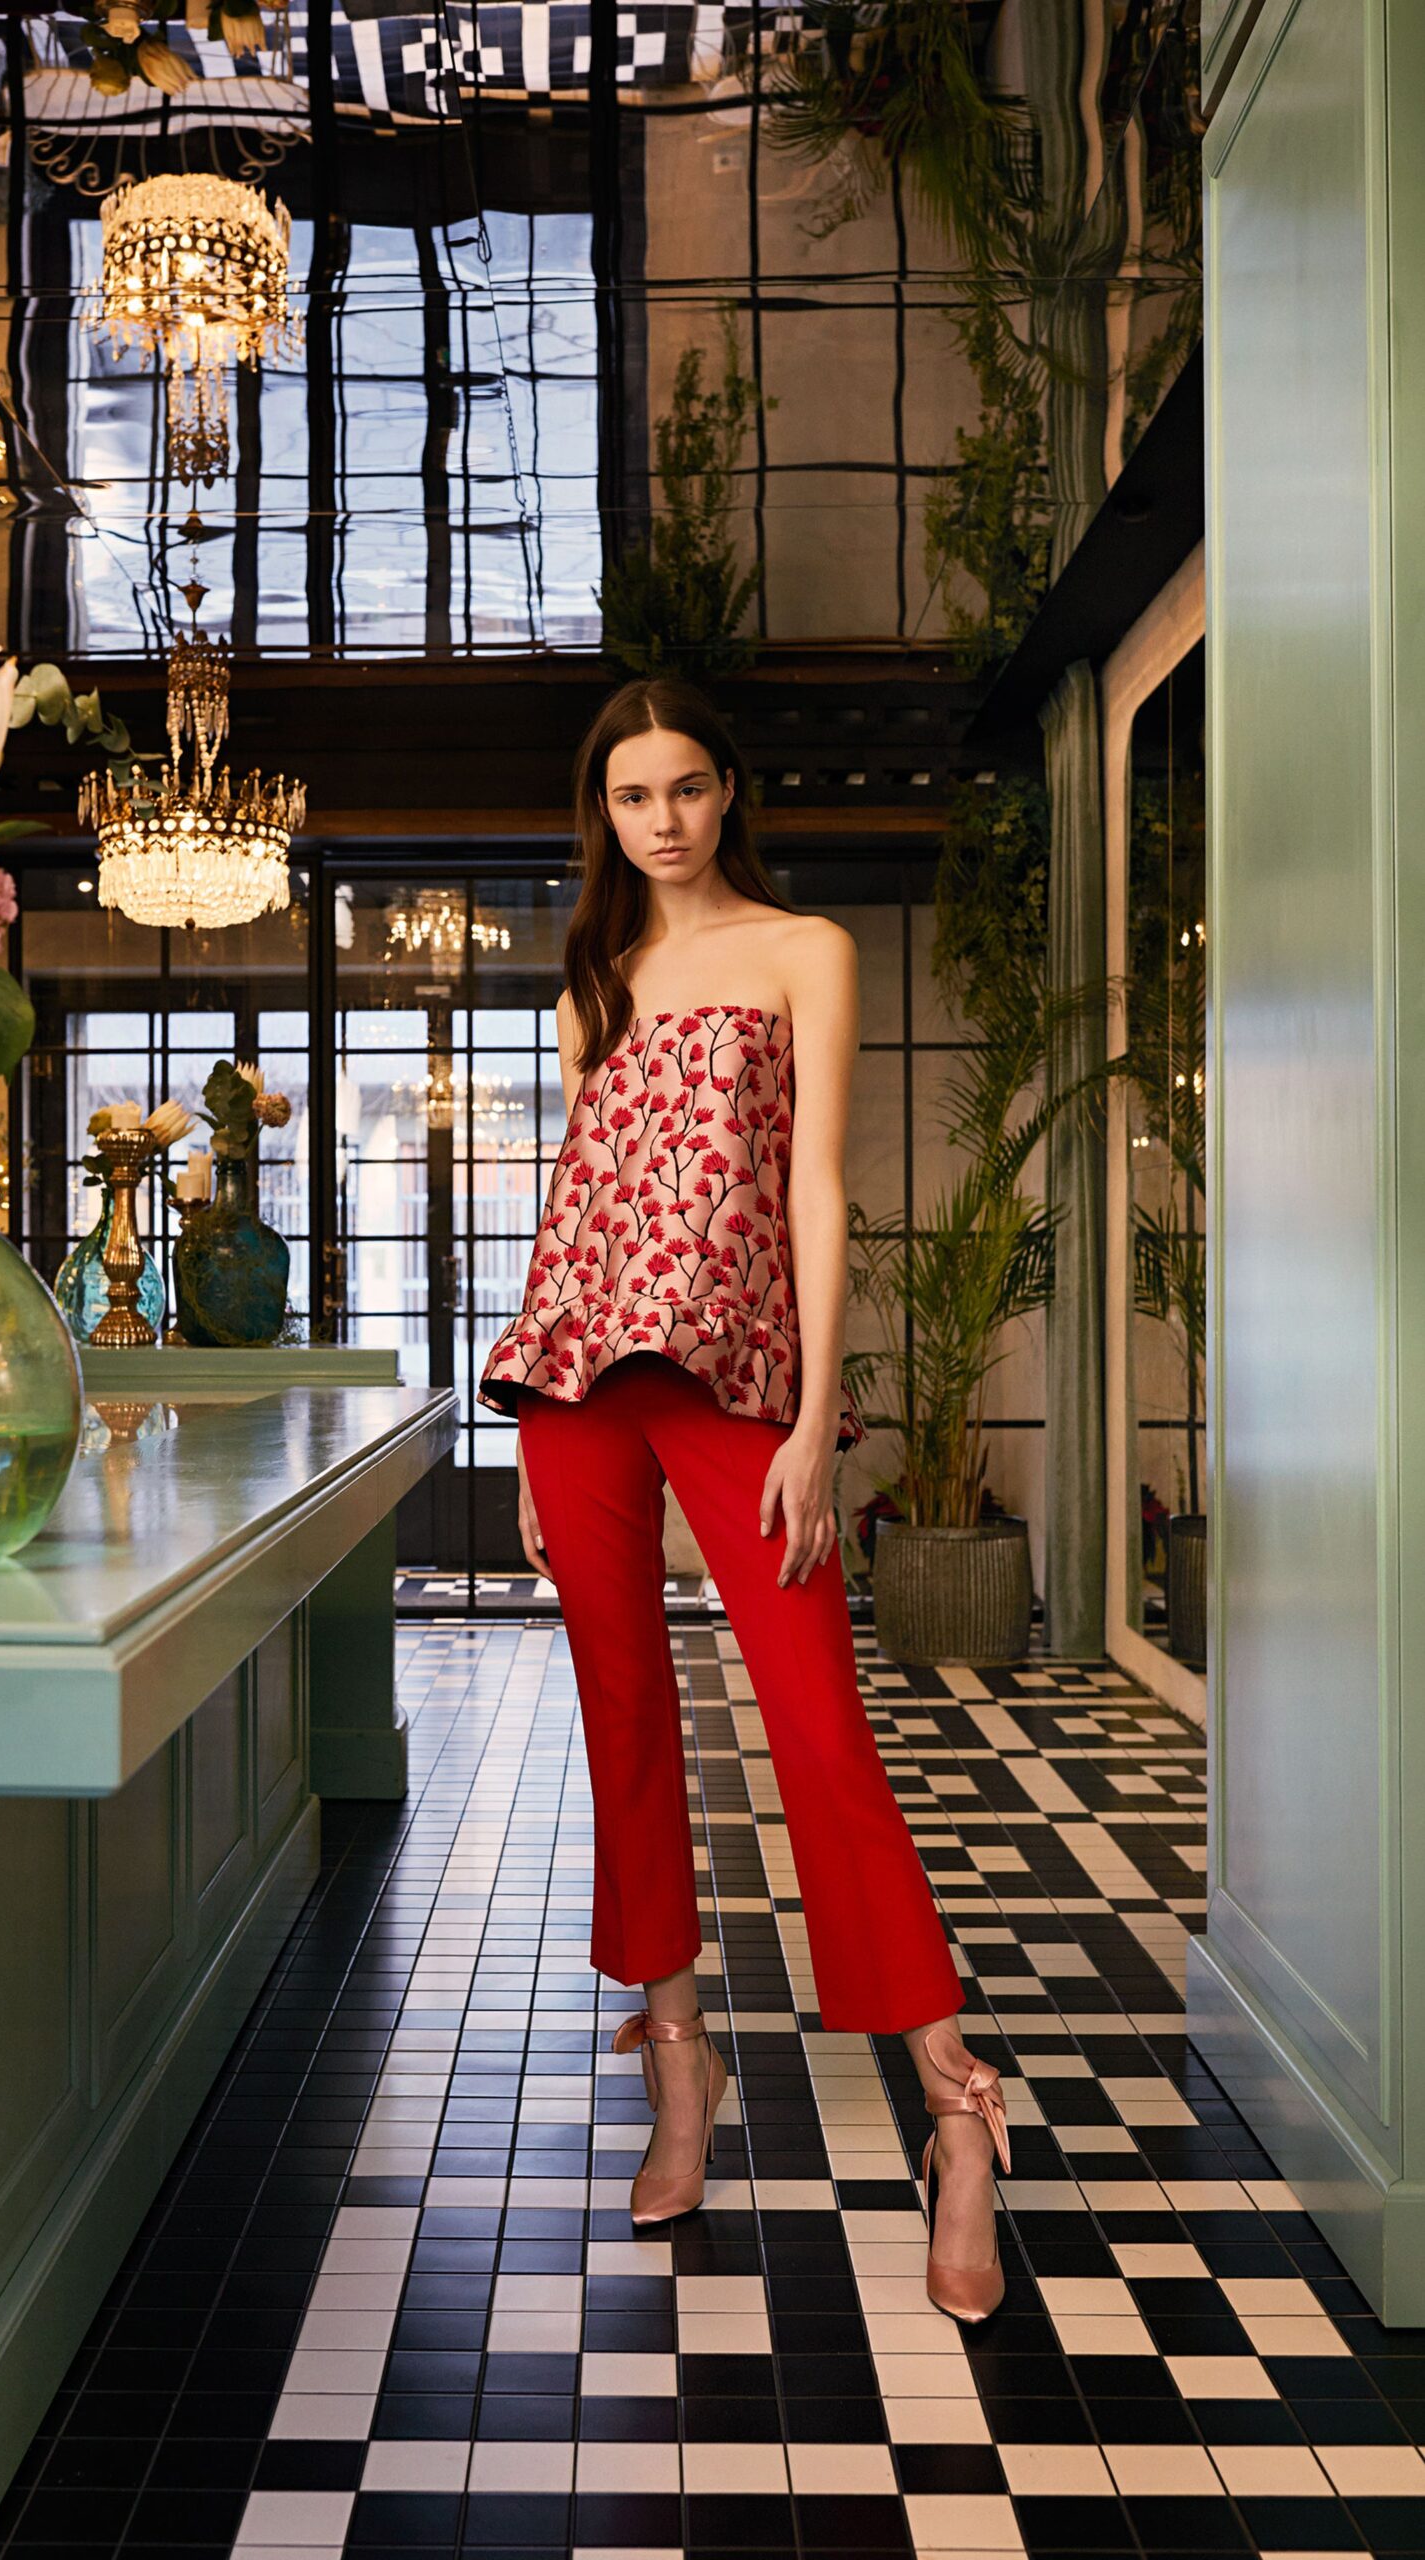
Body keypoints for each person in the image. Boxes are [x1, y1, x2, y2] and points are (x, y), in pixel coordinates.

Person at [477, 675, 1009, 2323]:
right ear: (606, 815)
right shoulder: (595, 980)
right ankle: (681, 2069)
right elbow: (575, 1207)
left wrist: (806, 1423)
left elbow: (817, 1186)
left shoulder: (804, 952)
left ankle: (957, 2110)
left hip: (739, 1386)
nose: (666, 818)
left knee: (820, 1726)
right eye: (635, 796)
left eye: (690, 787)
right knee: (625, 1723)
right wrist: (524, 1440)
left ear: (726, 794)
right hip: (577, 1392)